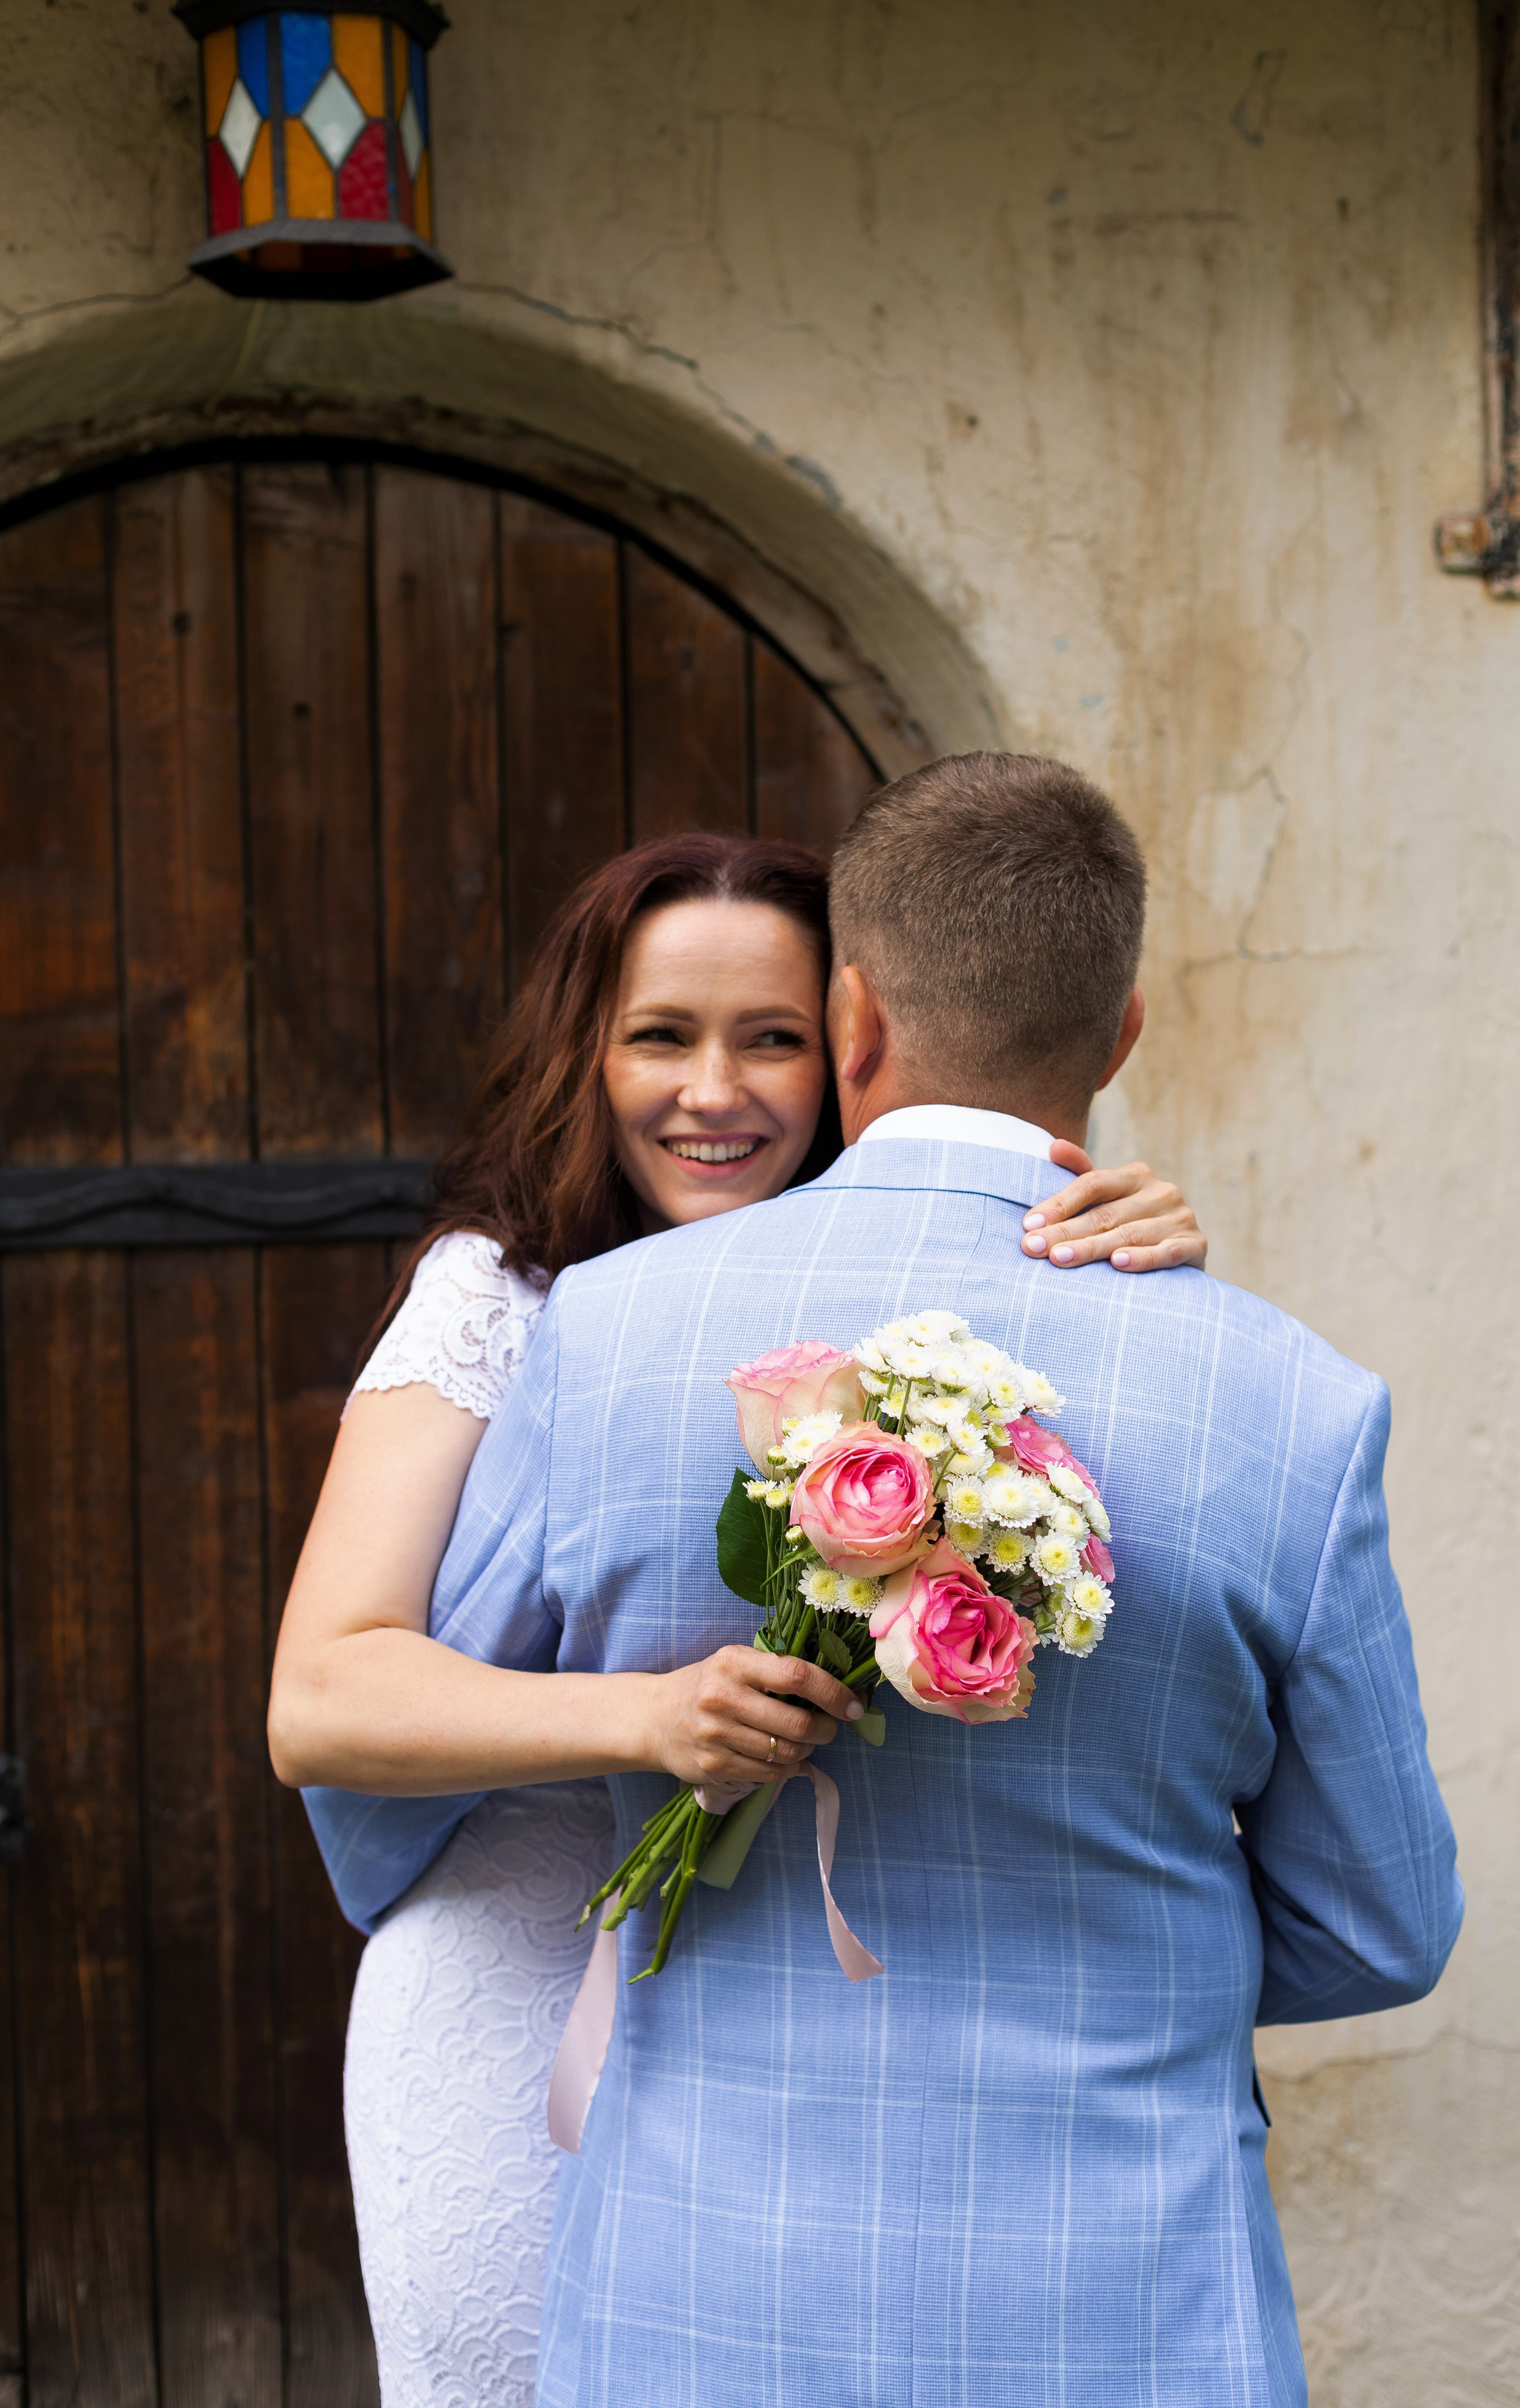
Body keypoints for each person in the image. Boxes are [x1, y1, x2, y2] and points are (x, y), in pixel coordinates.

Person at [317, 756, 1460, 2407]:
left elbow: (387, 1780)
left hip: (696, 2287)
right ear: (1122, 1035)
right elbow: (1382, 1922)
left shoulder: (614, 1336)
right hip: (1125, 2305)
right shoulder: (1288, 1398)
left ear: (849, 1023)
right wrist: (1120, 1956)